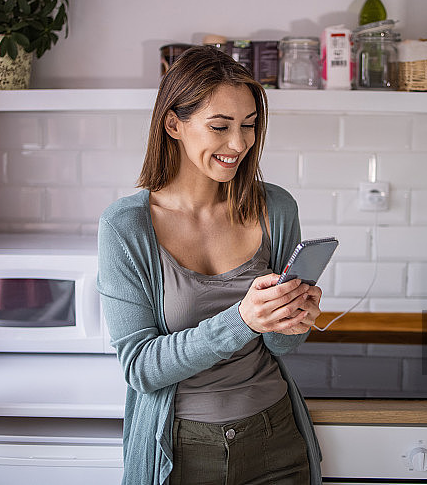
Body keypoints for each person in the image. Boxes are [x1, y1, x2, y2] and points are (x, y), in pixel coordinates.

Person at [97, 45, 324, 484]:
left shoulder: (274, 208)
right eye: (219, 126)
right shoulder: (126, 227)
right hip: (182, 448)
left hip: (276, 437)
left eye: (249, 125)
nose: (238, 143)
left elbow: (279, 348)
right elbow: (141, 369)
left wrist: (291, 319)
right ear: (173, 124)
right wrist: (243, 320)